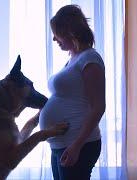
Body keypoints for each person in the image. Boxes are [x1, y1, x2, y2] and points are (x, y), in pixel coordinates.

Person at [39, 4, 106, 180]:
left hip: (79, 144)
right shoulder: (73, 59)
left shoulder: (90, 59)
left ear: (70, 32)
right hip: (61, 144)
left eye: (57, 33)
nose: (54, 39)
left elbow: (98, 107)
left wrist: (77, 145)